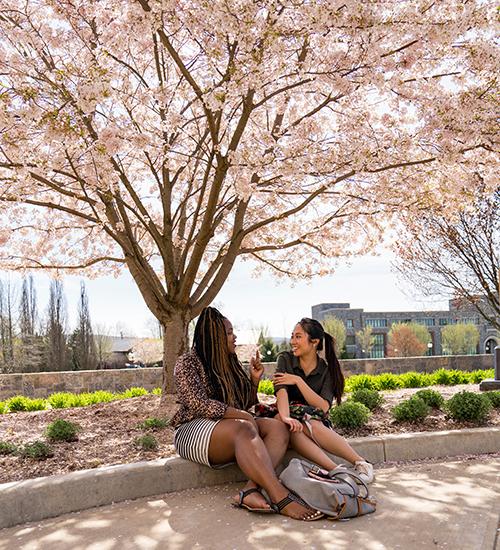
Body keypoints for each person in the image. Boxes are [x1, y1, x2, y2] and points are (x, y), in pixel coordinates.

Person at [170, 307, 323, 521]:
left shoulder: (230, 364)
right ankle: (280, 496)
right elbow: (198, 404)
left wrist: (254, 380)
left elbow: (246, 404)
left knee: (278, 428)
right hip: (193, 430)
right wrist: (242, 415)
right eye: (230, 332)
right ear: (214, 336)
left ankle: (251, 491)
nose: (235, 337)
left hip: (231, 430)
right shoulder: (187, 363)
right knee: (244, 425)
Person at [272, 318, 374, 483]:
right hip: (289, 417)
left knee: (308, 421)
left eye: (298, 337)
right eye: (292, 336)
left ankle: (361, 462)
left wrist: (298, 381)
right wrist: (285, 417)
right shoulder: (285, 359)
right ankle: (337, 471)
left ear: (314, 341)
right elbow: (281, 391)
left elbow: (323, 407)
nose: (292, 341)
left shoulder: (326, 370)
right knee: (290, 426)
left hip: (315, 421)